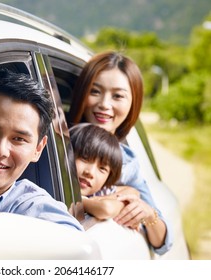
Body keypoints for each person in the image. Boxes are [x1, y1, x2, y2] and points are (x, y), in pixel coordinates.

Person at [0, 69, 84, 244]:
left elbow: (79, 253)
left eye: (19, 139)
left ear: (38, 149)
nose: (1, 150)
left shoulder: (32, 211)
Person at [68, 51, 172, 255]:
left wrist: (148, 214)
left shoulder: (127, 163)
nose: (105, 104)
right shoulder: (56, 138)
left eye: (118, 96)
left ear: (133, 103)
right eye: (95, 91)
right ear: (82, 93)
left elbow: (163, 243)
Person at [69, 123, 139, 221]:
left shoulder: (100, 192)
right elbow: (105, 209)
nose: (90, 173)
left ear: (108, 177)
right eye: (85, 158)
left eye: (102, 168)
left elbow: (133, 192)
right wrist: (83, 202)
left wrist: (105, 198)